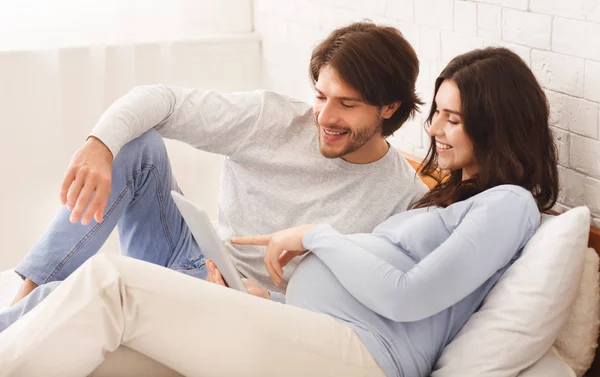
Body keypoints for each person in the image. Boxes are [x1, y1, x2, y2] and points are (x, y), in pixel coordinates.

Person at [0, 47, 559, 377]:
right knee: (108, 349)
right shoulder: (451, 201)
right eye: (436, 114)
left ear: (498, 123)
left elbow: (406, 296)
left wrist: (316, 236)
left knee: (112, 283)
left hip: (359, 357)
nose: (433, 130)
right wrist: (269, 299)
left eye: (452, 119)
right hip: (299, 323)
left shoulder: (507, 204)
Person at [4, 20, 427, 319]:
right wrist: (99, 144)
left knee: (83, 298)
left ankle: (22, 322)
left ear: (389, 107)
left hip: (252, 304)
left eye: (347, 105)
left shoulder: (402, 197)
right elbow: (162, 100)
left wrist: (268, 304)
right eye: (320, 96)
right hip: (192, 255)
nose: (325, 116)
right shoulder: (272, 118)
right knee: (136, 144)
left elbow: (372, 302)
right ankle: (26, 297)